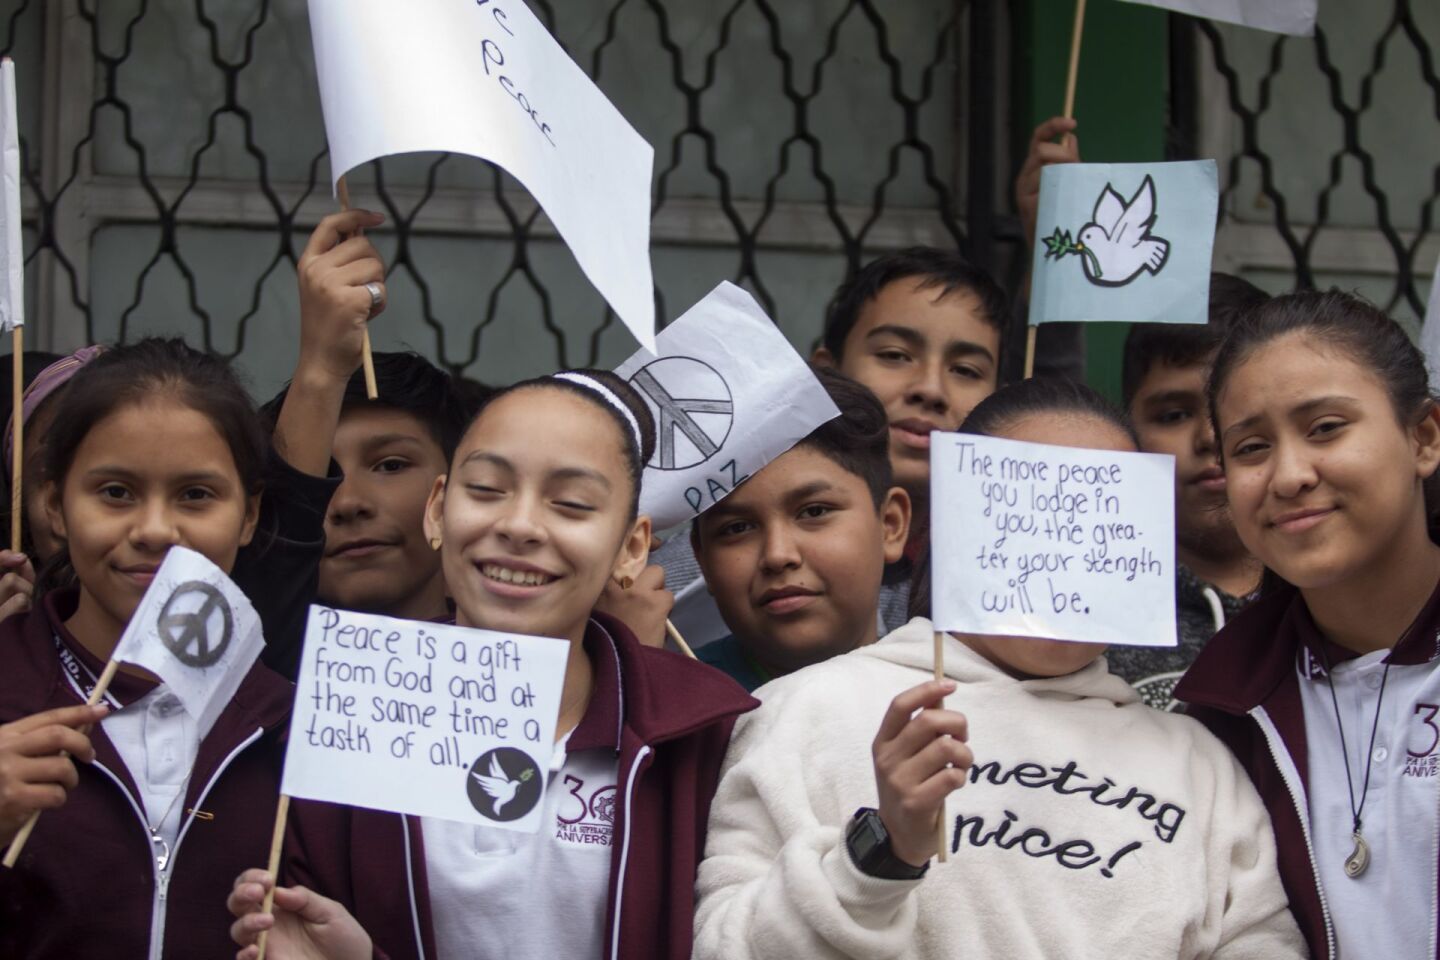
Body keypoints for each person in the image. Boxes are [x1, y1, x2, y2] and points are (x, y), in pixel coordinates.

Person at [693, 378, 1304, 960]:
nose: (1067, 541)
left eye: (1102, 513)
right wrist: (879, 852)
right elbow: (723, 946)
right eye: (1027, 509)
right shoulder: (801, 713)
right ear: (957, 525)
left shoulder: (1199, 764)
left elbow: (1260, 940)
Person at [226, 369, 758, 960]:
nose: (518, 526)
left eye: (572, 504)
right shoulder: (342, 719)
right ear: (437, 510)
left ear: (631, 547)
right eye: (485, 490)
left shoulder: (706, 732)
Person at [0, 338, 295, 960]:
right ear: (54, 504)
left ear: (248, 514)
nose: (155, 530)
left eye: (195, 495)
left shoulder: (296, 729)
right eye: (115, 492)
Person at [1176, 290, 1440, 960]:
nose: (1290, 476)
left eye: (1325, 428)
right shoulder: (1219, 713)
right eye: (1253, 447)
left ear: (1424, 436)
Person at [691, 367, 910, 690]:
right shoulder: (672, 722)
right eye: (737, 528)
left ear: (890, 525)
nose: (778, 555)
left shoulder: (955, 700)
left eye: (814, 511)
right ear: (703, 561)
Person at [1112, 273, 1269, 708]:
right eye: (1174, 414)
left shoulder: (1334, 600)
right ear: (1128, 435)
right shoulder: (1090, 605)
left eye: (1237, 408)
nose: (1209, 436)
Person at [265, 350, 482, 623]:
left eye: (390, 466)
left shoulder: (523, 657)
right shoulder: (243, 664)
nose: (348, 503)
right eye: (321, 475)